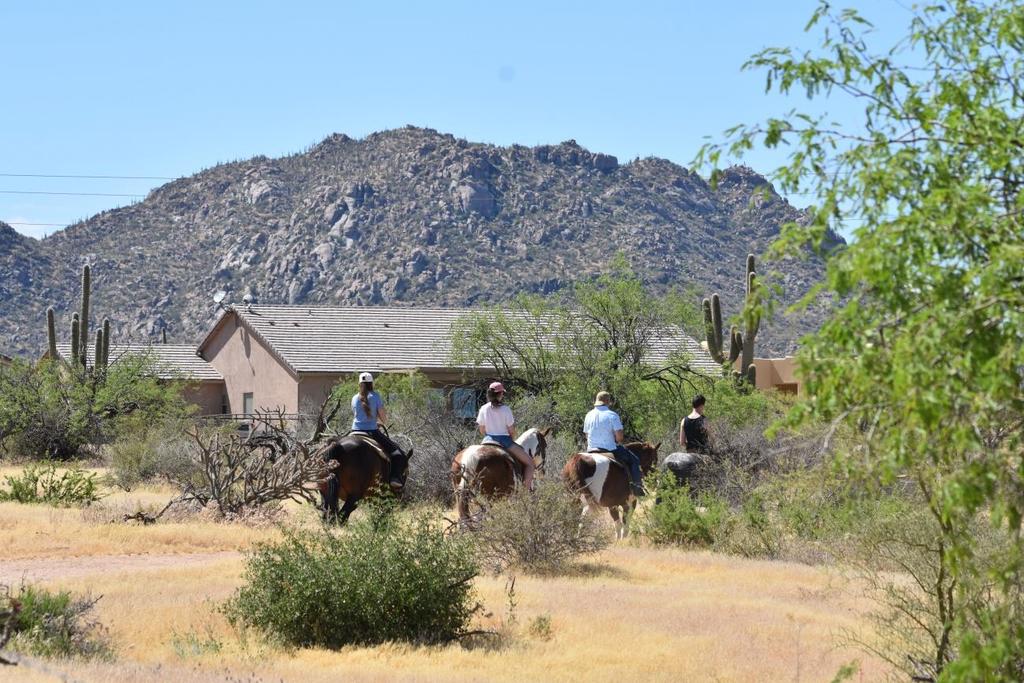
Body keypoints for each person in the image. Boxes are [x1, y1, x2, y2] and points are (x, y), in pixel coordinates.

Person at [351, 372, 408, 490]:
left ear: (359, 384)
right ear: (371, 383)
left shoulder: (354, 398)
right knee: (398, 454)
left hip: (355, 431)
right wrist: (379, 422)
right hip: (372, 432)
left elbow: (357, 415)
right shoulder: (375, 396)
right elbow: (383, 419)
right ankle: (394, 479)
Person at [583, 391, 646, 497]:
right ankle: (637, 488)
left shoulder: (588, 415)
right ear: (608, 401)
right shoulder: (612, 415)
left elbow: (586, 435)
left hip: (591, 449)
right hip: (609, 449)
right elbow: (620, 437)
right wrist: (617, 440)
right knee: (634, 460)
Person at [476, 381, 535, 491]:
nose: (503, 395)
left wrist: (489, 435)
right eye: (502, 393)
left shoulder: (483, 408)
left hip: (487, 439)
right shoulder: (505, 409)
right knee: (530, 463)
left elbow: (482, 429)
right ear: (500, 394)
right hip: (504, 441)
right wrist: (512, 439)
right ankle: (525, 493)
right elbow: (511, 430)